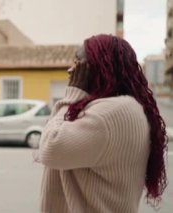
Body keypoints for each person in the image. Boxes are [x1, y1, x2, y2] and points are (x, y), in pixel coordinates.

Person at [34, 34, 168, 213]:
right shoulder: (129, 107)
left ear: (101, 67)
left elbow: (51, 148)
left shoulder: (108, 114)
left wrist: (71, 95)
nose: (70, 70)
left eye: (78, 62)